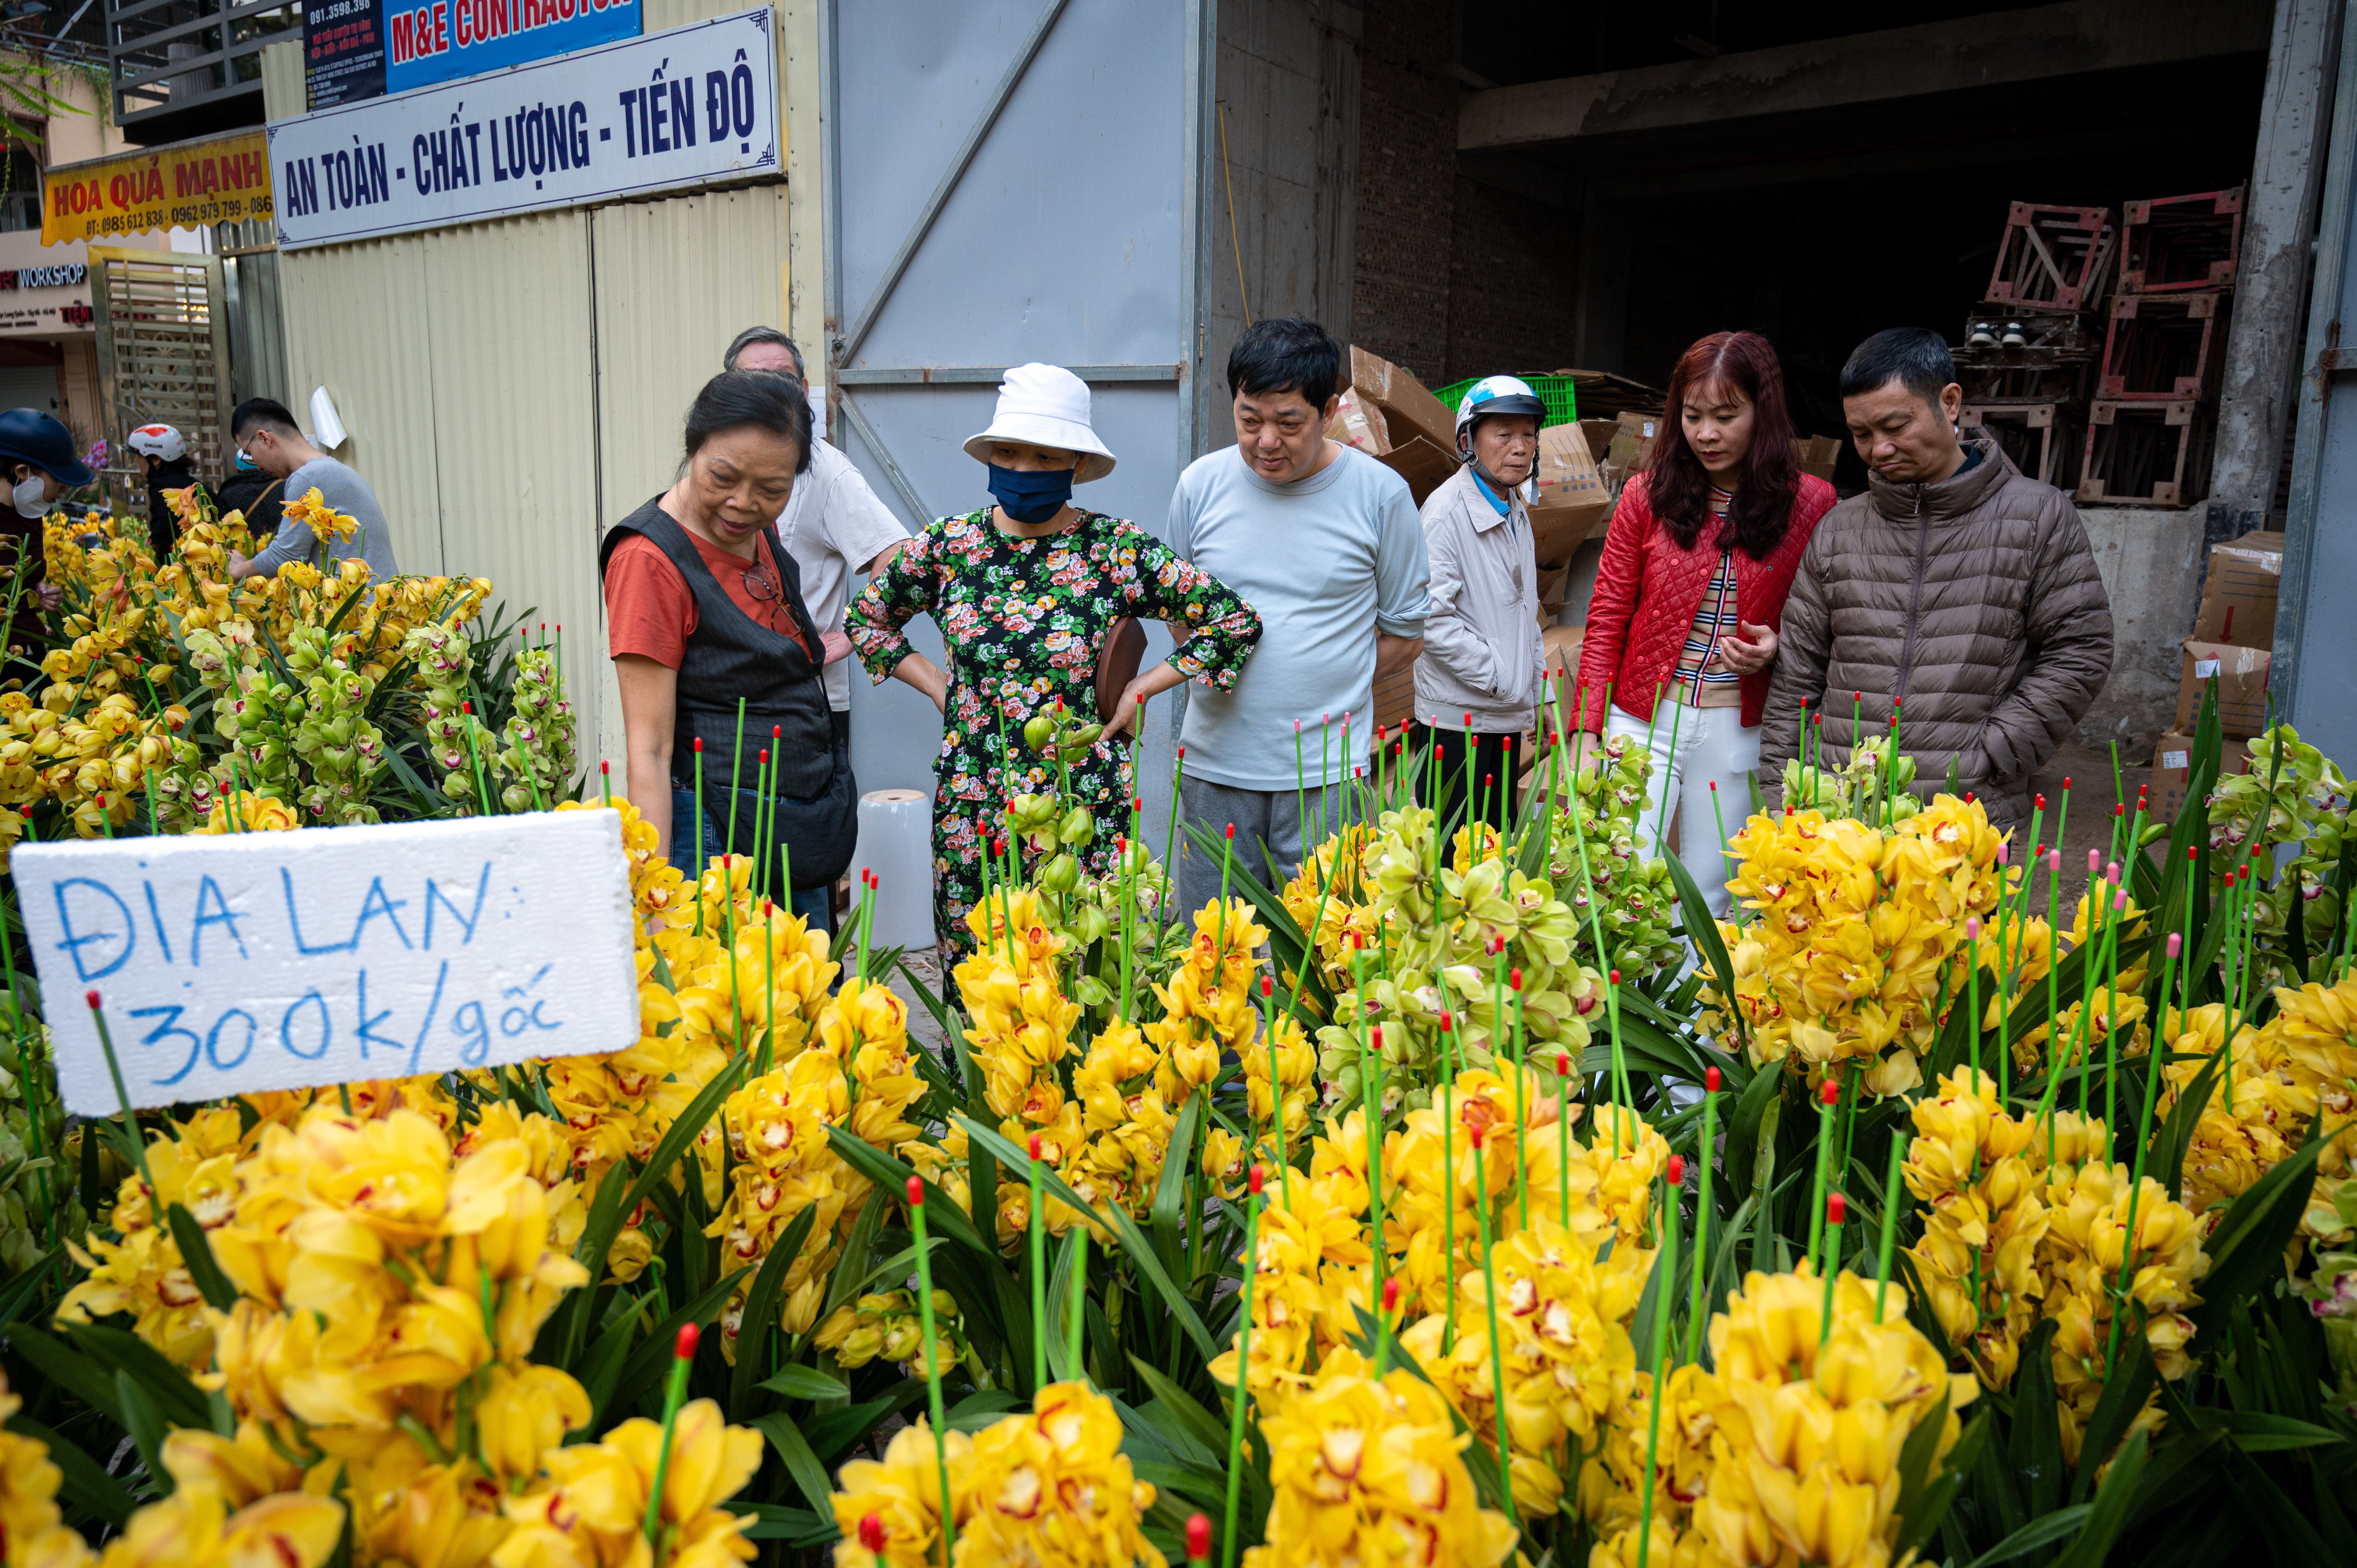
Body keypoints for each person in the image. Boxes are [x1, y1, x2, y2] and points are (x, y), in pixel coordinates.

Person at [848, 363, 1261, 955]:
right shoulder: (948, 546)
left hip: (1081, 805)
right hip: (976, 803)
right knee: (980, 978)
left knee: (1079, 967)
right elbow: (868, 621)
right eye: (1011, 452)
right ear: (990, 455)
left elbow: (1232, 621)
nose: (1024, 469)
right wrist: (941, 685)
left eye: (1046, 457)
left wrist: (1143, 687)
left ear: (1078, 465)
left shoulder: (1115, 550)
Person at [1760, 327, 2114, 833]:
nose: (1879, 449)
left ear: (1950, 404)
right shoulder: (1840, 529)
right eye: (1862, 434)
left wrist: (1995, 751)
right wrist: (1781, 795)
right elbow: (1799, 672)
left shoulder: (2036, 517)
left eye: (1895, 426)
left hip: (1965, 818)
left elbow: (2083, 648)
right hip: (1841, 817)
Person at [1166, 318, 1429, 917]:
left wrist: (1326, 686)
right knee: (1214, 950)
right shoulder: (1199, 486)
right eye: (1249, 419)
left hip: (1327, 774)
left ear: (1330, 410)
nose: (1266, 441)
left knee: (1323, 953)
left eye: (1289, 423)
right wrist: (1222, 668)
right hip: (1216, 763)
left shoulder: (1381, 495)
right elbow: (1178, 610)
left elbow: (1406, 637)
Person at [1577, 331, 1838, 914]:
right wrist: (1588, 734)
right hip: (1642, 719)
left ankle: (1692, 1009)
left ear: (1763, 412)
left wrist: (1779, 646)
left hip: (1736, 727)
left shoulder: (1814, 504)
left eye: (1726, 416)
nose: (1707, 434)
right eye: (1693, 417)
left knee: (1708, 892)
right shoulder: (1647, 495)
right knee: (1614, 878)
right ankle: (1618, 1005)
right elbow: (1607, 618)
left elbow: (1826, 621)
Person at [599, 371, 853, 932]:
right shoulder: (650, 561)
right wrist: (655, 903)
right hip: (719, 835)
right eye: (723, 477)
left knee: (800, 1003)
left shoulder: (756, 530)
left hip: (791, 823)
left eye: (772, 489)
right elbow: (649, 750)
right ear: (694, 448)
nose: (743, 504)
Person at [721, 327, 909, 744]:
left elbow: (900, 559)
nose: (769, 392)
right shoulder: (718, 464)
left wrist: (851, 631)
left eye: (783, 380)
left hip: (804, 703)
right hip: (725, 700)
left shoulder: (824, 470)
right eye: (753, 380)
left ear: (803, 390)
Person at [1413, 375, 1547, 838]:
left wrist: (1537, 693)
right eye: (1504, 433)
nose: (1520, 447)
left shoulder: (1514, 509)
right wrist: (1500, 676)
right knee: (1451, 855)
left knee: (1497, 848)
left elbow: (1525, 614)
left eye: (1528, 434)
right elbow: (1429, 619)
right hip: (1458, 722)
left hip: (1502, 716)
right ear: (1469, 440)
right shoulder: (1446, 513)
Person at [225, 398, 399, 581]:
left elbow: (285, 558)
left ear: (265, 439)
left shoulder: (308, 478)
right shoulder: (335, 470)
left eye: (250, 454)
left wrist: (237, 569)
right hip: (378, 600)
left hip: (360, 605)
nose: (257, 467)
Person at [0, 407, 94, 612]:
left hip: (27, 638)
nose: (65, 488)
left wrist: (38, 592)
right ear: (24, 472)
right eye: (58, 478)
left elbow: (20, 582)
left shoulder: (28, 510)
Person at [126, 423, 203, 560]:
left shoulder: (160, 486)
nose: (137, 461)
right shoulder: (196, 484)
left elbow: (168, 521)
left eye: (139, 455)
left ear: (156, 460)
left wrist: (151, 545)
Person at [214, 445, 285, 539]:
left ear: (238, 468)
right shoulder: (284, 487)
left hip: (242, 550)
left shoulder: (229, 493)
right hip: (280, 549)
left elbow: (222, 528)